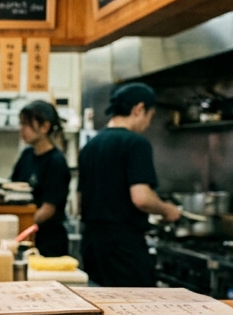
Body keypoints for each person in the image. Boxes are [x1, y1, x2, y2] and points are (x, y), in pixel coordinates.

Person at [77, 82, 181, 287]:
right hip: (123, 246)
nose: (148, 124)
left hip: (91, 243)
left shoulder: (91, 145)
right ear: (139, 109)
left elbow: (81, 198)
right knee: (137, 310)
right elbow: (141, 197)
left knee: (103, 307)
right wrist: (167, 210)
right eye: (150, 116)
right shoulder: (135, 143)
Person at [10, 100, 72, 258]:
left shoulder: (56, 161)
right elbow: (13, 188)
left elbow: (48, 209)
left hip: (48, 240)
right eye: (21, 124)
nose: (22, 129)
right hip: (27, 235)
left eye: (27, 124)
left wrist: (22, 226)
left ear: (45, 127)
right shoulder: (27, 155)